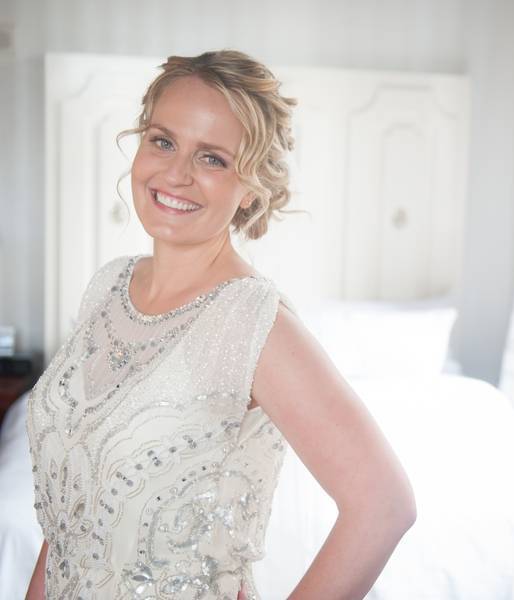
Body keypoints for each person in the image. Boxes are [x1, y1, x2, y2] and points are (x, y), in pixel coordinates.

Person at [25, 49, 417, 600]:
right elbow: (72, 515)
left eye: (212, 158)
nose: (176, 174)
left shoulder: (252, 321)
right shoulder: (108, 287)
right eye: (163, 141)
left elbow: (384, 506)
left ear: (251, 185)